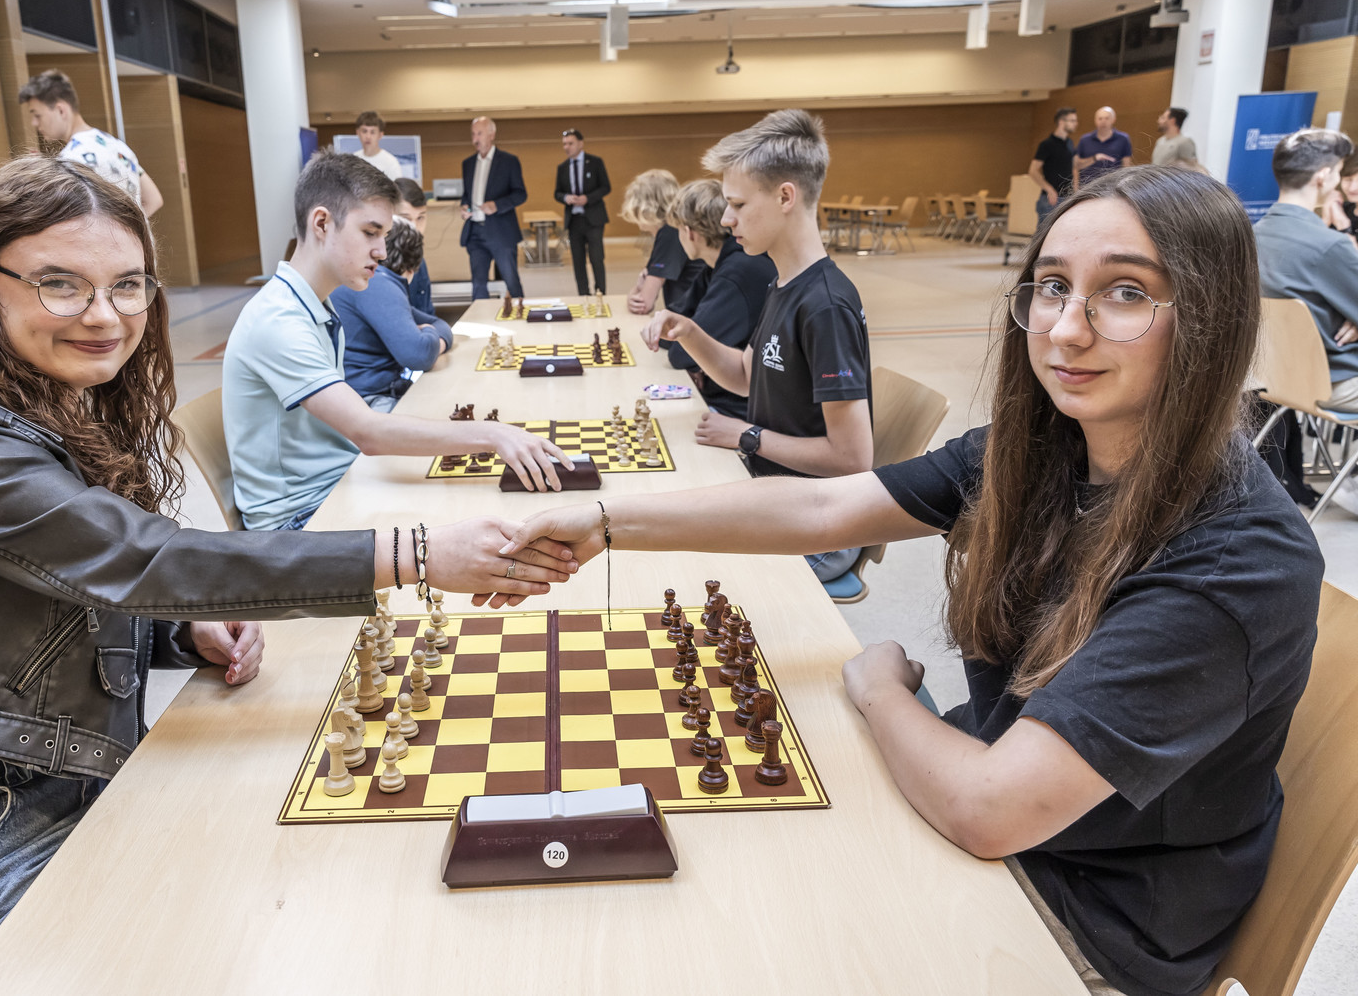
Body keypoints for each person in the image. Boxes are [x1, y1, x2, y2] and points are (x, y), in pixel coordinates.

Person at [507, 166, 1321, 996]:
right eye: (1052, 287)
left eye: (1124, 293)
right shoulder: (1042, 448)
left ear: (1211, 318)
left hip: (1084, 915)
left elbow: (989, 810)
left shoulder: (1236, 561)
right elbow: (827, 509)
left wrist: (880, 691)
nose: (1066, 329)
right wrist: (605, 523)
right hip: (998, 801)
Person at [0, 155, 574, 992]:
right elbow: (147, 559)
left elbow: (54, 604)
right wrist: (420, 554)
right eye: (60, 285)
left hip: (79, 778)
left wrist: (181, 632)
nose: (104, 315)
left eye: (127, 286)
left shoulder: (52, 406)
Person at [226, 153, 569, 532]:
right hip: (302, 521)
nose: (383, 252)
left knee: (495, 504)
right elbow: (367, 432)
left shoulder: (313, 304)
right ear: (321, 223)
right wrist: (493, 434)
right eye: (370, 232)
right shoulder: (279, 320)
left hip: (339, 484)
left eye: (384, 236)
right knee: (490, 523)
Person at [639, 110, 872, 585]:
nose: (726, 219)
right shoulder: (782, 282)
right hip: (774, 497)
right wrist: (689, 332)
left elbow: (852, 459)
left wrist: (747, 435)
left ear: (786, 196)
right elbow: (745, 377)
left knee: (672, 566)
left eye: (738, 205)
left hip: (820, 525)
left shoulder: (825, 306)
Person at [1254, 129, 1358, 517]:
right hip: (1333, 383)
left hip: (1276, 379)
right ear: (1324, 176)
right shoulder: (1328, 245)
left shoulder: (1251, 236)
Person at [657, 179, 776, 419]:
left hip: (744, 411)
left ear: (689, 232)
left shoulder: (738, 272)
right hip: (734, 397)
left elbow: (680, 353)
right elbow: (674, 323)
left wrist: (691, 350)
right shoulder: (718, 265)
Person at [329, 218, 451, 413]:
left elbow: (439, 324)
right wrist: (430, 332)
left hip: (360, 395)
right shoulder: (378, 284)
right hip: (369, 400)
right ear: (411, 270)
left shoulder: (372, 279)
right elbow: (419, 355)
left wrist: (431, 334)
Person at [18, 69, 163, 216]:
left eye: (37, 115)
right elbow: (154, 200)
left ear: (61, 110)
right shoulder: (116, 145)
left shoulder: (71, 160)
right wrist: (130, 227)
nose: (34, 123)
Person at [622, 169, 708, 315]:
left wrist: (633, 294)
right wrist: (636, 292)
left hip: (692, 319)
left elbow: (643, 303)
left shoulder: (670, 232)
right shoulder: (675, 228)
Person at [458, 116, 526, 300]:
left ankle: (520, 312)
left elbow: (520, 194)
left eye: (479, 134)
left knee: (511, 281)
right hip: (475, 233)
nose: (475, 139)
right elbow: (467, 194)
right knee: (478, 283)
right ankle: (481, 317)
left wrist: (497, 205)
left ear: (492, 135)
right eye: (473, 134)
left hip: (501, 232)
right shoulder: (468, 164)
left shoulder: (509, 161)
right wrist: (464, 206)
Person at [554, 128, 610, 296]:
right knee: (578, 261)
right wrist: (566, 197)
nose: (567, 147)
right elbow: (557, 193)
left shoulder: (595, 162)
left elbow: (605, 187)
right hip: (574, 220)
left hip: (593, 219)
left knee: (596, 258)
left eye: (570, 143)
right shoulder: (563, 167)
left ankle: (600, 293)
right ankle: (583, 294)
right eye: (564, 144)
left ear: (580, 143)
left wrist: (588, 198)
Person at [1028, 107, 1078, 225]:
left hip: (1067, 198)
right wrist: (1049, 190)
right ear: (1061, 122)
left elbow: (1073, 168)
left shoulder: (1070, 143)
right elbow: (1033, 171)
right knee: (1044, 234)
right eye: (1072, 120)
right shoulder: (1047, 145)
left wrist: (1076, 192)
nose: (1076, 124)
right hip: (1050, 200)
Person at [393, 178, 435, 316]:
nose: (415, 228)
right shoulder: (377, 266)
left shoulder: (419, 262)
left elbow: (428, 314)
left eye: (420, 218)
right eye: (406, 219)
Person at [1074, 106, 1132, 189]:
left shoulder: (1123, 139)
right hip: (1087, 187)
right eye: (1100, 118)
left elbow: (1126, 166)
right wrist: (1094, 158)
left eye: (1106, 118)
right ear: (1095, 121)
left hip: (1112, 187)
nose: (1103, 121)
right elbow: (1076, 166)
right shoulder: (1084, 140)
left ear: (1113, 120)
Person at [355, 110, 405, 180]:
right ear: (358, 132)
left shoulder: (391, 162)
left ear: (380, 135)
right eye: (364, 131)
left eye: (372, 132)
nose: (368, 136)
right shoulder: (353, 160)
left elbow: (396, 186)